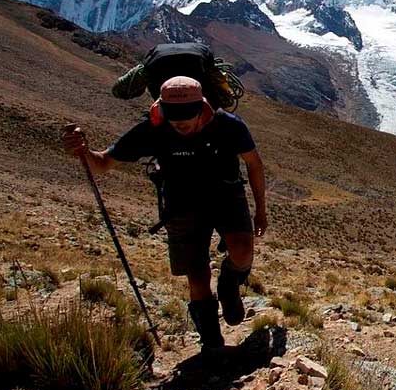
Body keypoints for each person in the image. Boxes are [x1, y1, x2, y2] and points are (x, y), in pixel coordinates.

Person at [64, 76, 267, 351]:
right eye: (174, 117)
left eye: (187, 117)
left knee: (242, 252)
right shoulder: (152, 129)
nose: (180, 124)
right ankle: (211, 342)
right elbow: (104, 163)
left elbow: (254, 164)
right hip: (182, 202)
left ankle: (229, 284)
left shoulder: (228, 126)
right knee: (196, 274)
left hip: (226, 194)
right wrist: (84, 152)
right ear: (161, 109)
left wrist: (261, 211)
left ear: (202, 108)